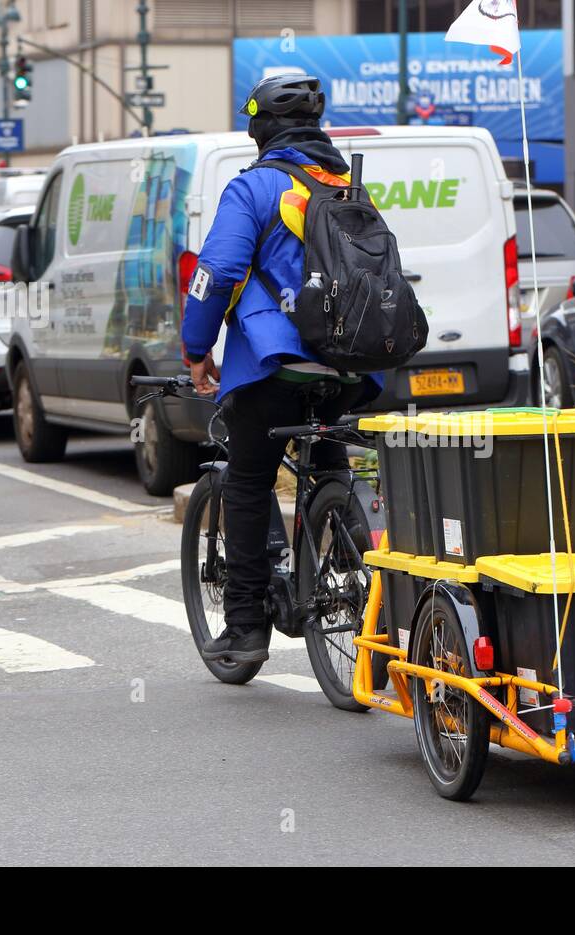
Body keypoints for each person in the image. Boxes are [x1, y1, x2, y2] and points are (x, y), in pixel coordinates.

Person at [179, 73, 380, 665]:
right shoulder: (351, 189)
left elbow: (215, 274)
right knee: (327, 460)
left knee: (246, 483)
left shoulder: (255, 188)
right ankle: (348, 574)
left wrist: (196, 350)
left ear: (260, 129)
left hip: (275, 367)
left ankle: (245, 629)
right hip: (347, 367)